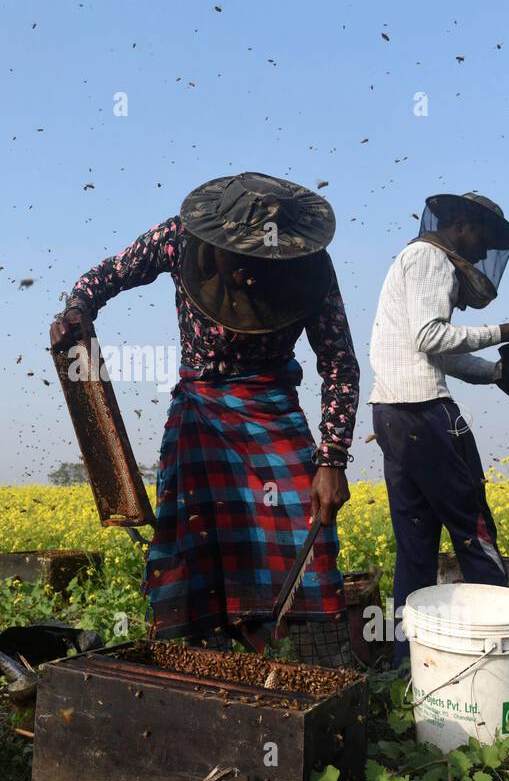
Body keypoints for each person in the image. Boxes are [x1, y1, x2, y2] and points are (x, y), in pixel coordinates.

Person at [51, 173, 361, 666]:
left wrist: (332, 459)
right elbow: (104, 276)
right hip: (200, 407)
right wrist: (77, 309)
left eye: (258, 264)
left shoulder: (310, 268)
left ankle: (307, 660)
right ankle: (208, 660)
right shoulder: (178, 238)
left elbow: (340, 363)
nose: (244, 275)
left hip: (271, 404)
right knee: (192, 542)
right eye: (236, 261)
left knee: (310, 533)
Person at [368, 191, 509, 666]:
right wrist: (504, 332)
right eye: (484, 238)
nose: (485, 252)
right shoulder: (432, 259)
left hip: (392, 414)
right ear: (462, 224)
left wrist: (497, 373)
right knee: (473, 529)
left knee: (415, 544)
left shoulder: (411, 259)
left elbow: (437, 349)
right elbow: (431, 337)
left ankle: (409, 664)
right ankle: (501, 654)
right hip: (426, 413)